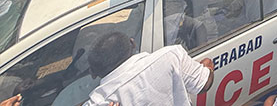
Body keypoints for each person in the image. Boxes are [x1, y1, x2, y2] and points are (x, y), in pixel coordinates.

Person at [83, 31, 214, 105]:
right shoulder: (170, 57)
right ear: (133, 43)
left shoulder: (97, 102)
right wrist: (207, 66)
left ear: (93, 73)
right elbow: (204, 84)